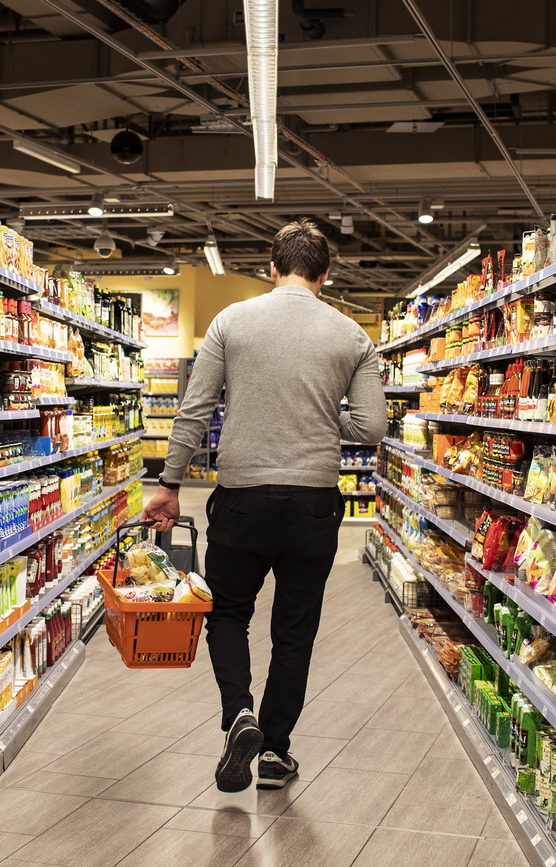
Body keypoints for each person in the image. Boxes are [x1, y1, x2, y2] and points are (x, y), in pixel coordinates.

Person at [143, 218, 387, 793]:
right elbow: (372, 426)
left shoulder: (230, 322)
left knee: (227, 613)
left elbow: (194, 411)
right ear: (325, 276)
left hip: (242, 500)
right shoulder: (353, 336)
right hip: (315, 507)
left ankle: (239, 716)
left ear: (272, 269)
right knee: (294, 631)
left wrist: (171, 483)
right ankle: (275, 752)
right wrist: (324, 415)